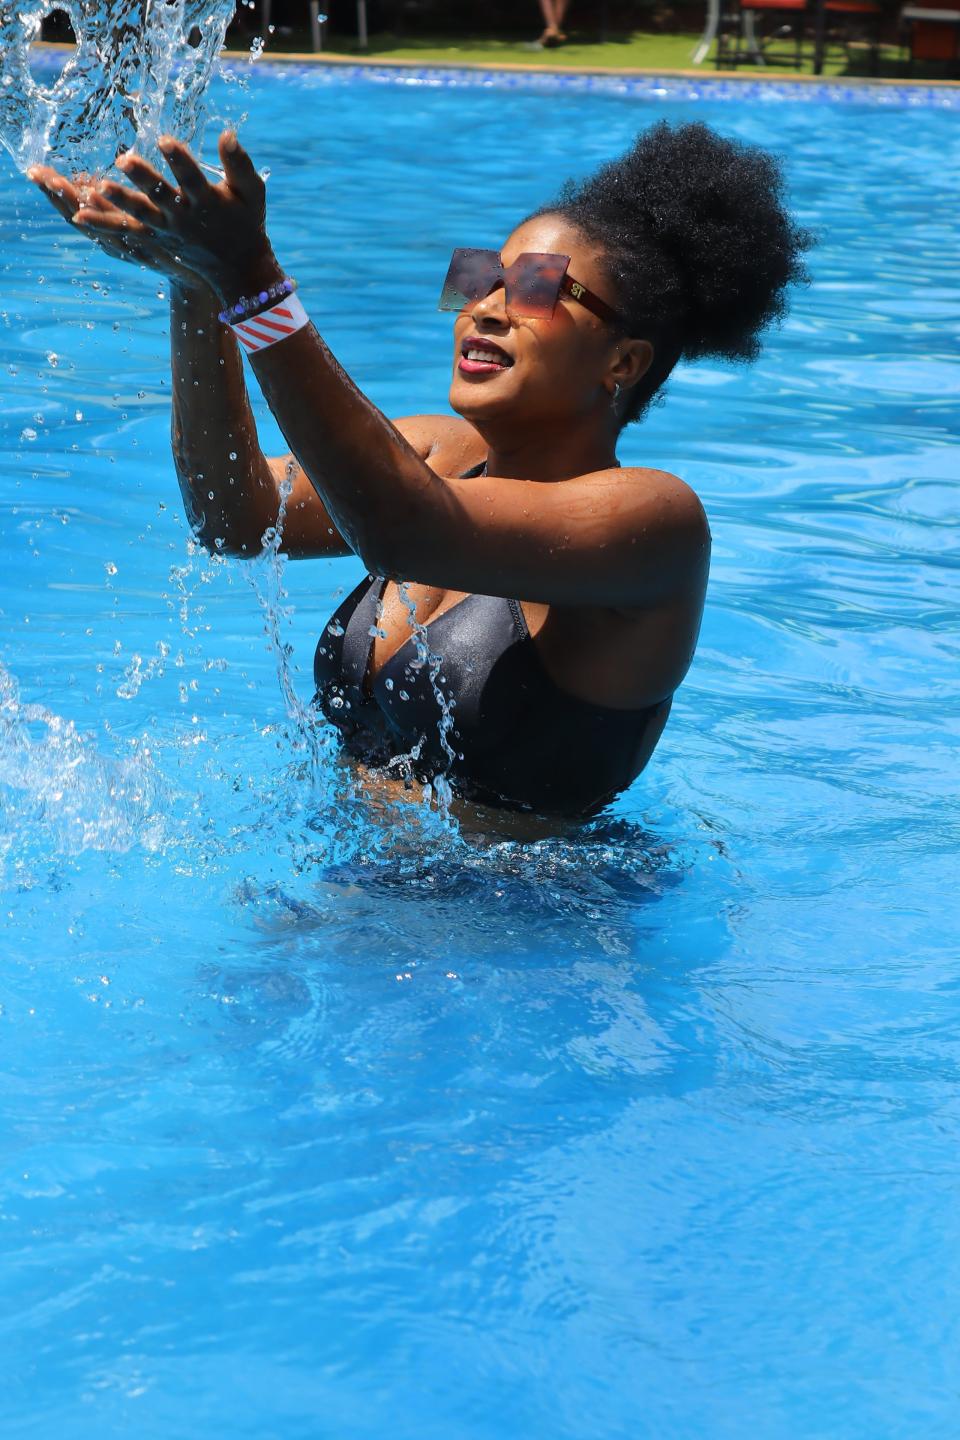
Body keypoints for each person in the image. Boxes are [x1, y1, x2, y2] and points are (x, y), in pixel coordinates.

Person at [28, 122, 809, 821]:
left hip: (534, 924)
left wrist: (252, 282)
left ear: (624, 362)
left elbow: (401, 532)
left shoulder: (652, 524)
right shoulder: (442, 454)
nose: (486, 307)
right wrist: (197, 286)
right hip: (345, 896)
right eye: (481, 277)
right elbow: (233, 516)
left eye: (536, 286)